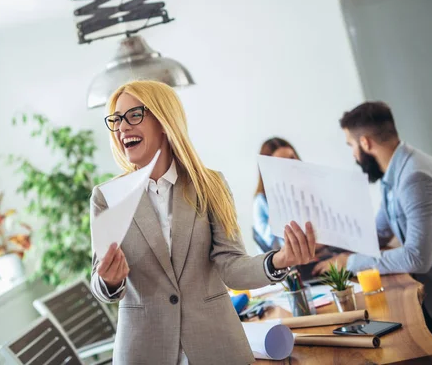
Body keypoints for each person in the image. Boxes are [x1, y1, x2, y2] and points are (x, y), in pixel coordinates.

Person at [90, 80, 317, 364]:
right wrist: (109, 280)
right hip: (143, 350)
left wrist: (279, 260)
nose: (122, 127)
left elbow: (232, 266)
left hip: (217, 345)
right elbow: (99, 283)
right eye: (116, 120)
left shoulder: (210, 185)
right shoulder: (107, 197)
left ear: (164, 121)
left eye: (134, 115)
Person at [312, 101, 432, 338]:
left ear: (365, 143)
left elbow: (417, 257)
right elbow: (378, 231)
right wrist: (326, 243)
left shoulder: (415, 177)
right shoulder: (395, 173)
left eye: (351, 146)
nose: (353, 155)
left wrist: (347, 263)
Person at [253, 137, 301, 251]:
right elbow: (269, 244)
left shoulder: (310, 193)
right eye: (281, 163)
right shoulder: (261, 202)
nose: (290, 166)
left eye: (292, 158)